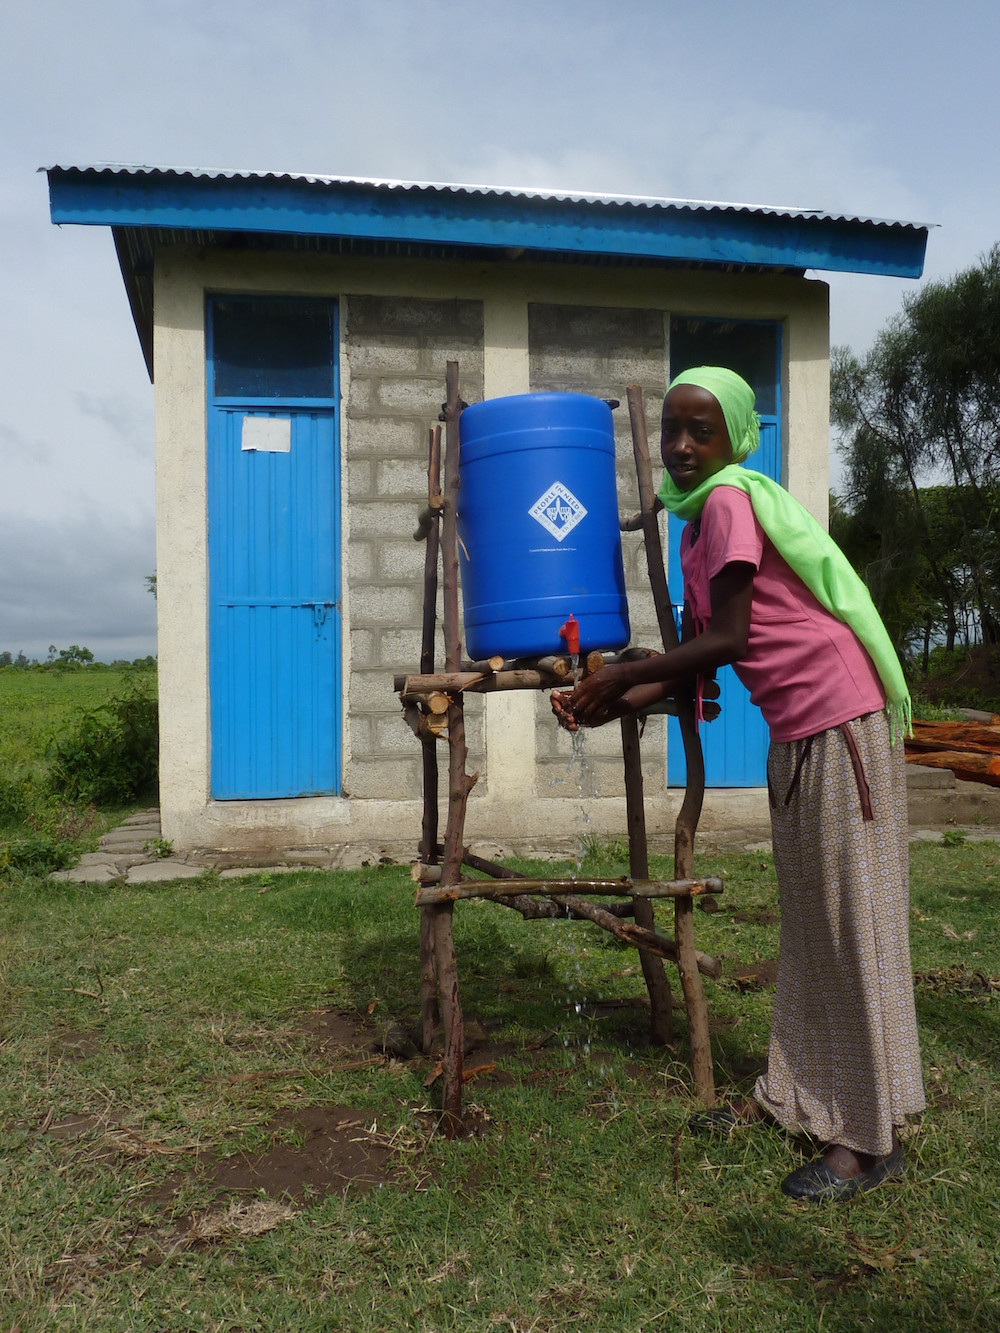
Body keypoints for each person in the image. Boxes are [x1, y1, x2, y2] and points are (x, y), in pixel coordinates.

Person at [551, 366, 925, 1202]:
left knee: (854, 923)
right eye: (672, 431)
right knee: (812, 926)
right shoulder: (695, 529)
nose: (681, 446)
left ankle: (869, 1138)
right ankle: (794, 1094)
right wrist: (604, 701)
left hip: (839, 718)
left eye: (701, 430)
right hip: (798, 729)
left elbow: (725, 637)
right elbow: (697, 679)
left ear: (735, 438)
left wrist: (618, 679)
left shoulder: (727, 502)